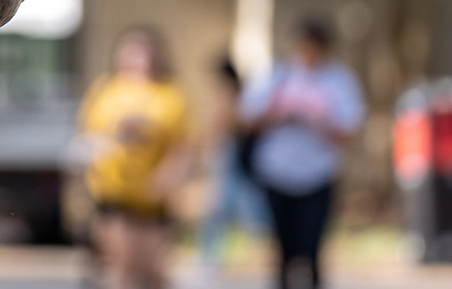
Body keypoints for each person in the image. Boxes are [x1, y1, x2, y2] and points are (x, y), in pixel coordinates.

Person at [240, 18, 365, 289]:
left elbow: (350, 132)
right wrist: (280, 113)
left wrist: (318, 121)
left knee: (311, 247)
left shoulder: (339, 81)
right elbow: (247, 121)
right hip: (277, 173)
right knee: (283, 249)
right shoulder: (276, 75)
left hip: (318, 174)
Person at [77, 26, 193, 289]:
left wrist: (169, 176)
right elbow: (89, 136)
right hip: (113, 194)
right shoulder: (106, 90)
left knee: (152, 272)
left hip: (152, 201)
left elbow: (182, 146)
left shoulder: (170, 95)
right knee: (122, 270)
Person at [194, 55, 268, 275]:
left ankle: (213, 256)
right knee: (220, 210)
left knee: (230, 209)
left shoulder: (236, 97)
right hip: (226, 158)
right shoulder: (234, 97)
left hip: (231, 158)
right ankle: (210, 255)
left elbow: (226, 126)